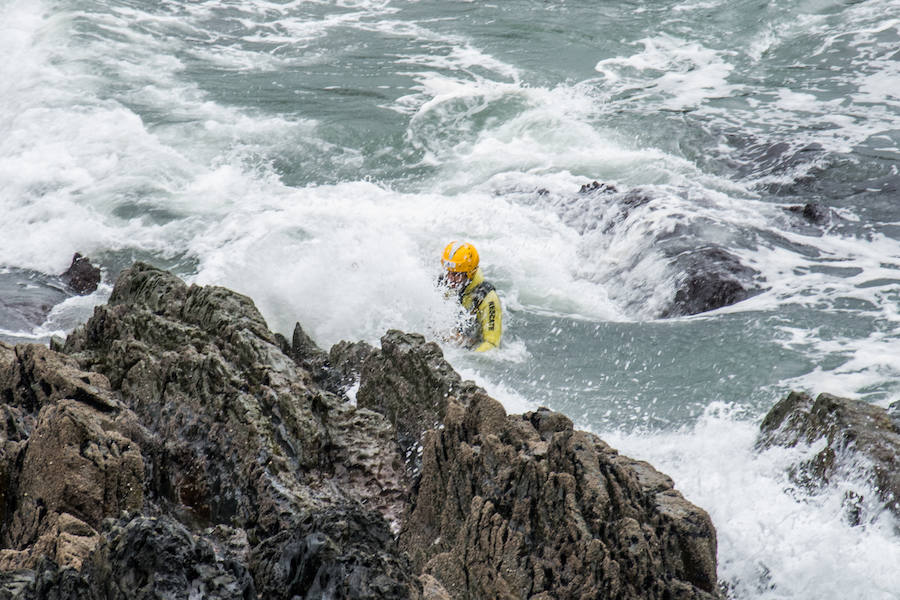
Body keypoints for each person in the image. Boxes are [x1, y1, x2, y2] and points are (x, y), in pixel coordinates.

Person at [439, 241, 502, 352]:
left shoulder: (487, 298)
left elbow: (491, 343)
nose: (450, 279)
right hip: (453, 340)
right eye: (448, 272)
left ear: (469, 273)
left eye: (455, 274)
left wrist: (465, 359)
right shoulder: (442, 284)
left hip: (471, 345)